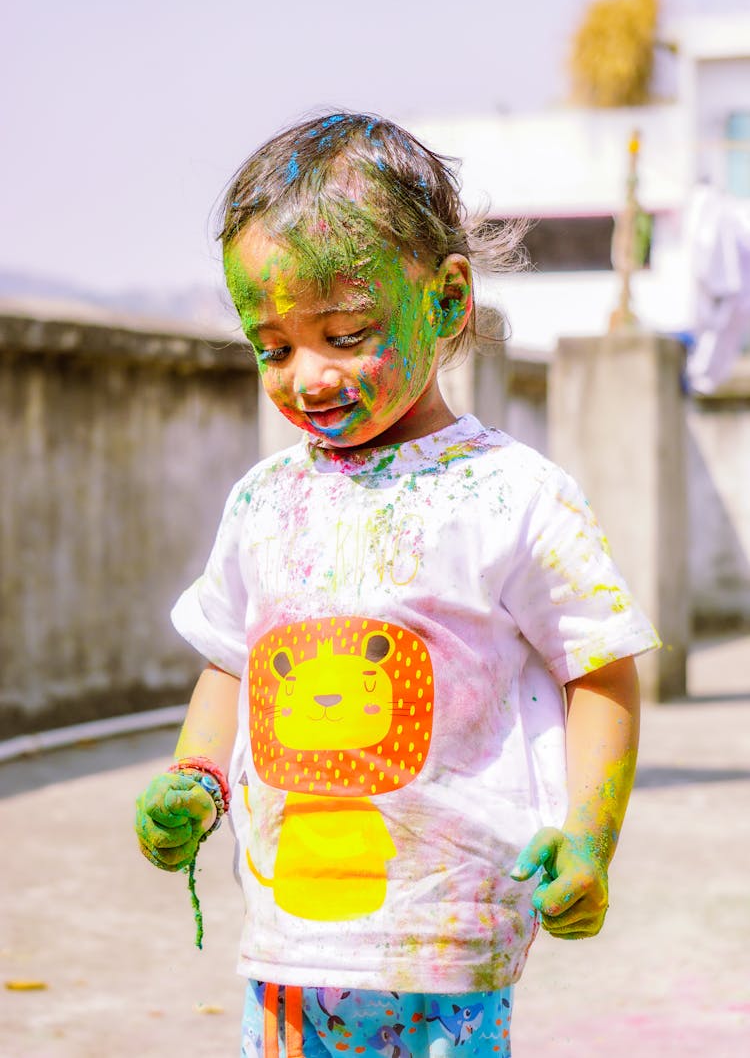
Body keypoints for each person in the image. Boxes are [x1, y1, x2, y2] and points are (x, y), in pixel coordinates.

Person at [135, 112, 659, 1058]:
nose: (309, 375)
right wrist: (197, 778)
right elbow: (228, 661)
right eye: (274, 346)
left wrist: (590, 837)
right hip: (291, 940)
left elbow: (604, 670)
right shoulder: (264, 501)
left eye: (345, 331)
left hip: (446, 945)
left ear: (448, 300)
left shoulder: (515, 495)